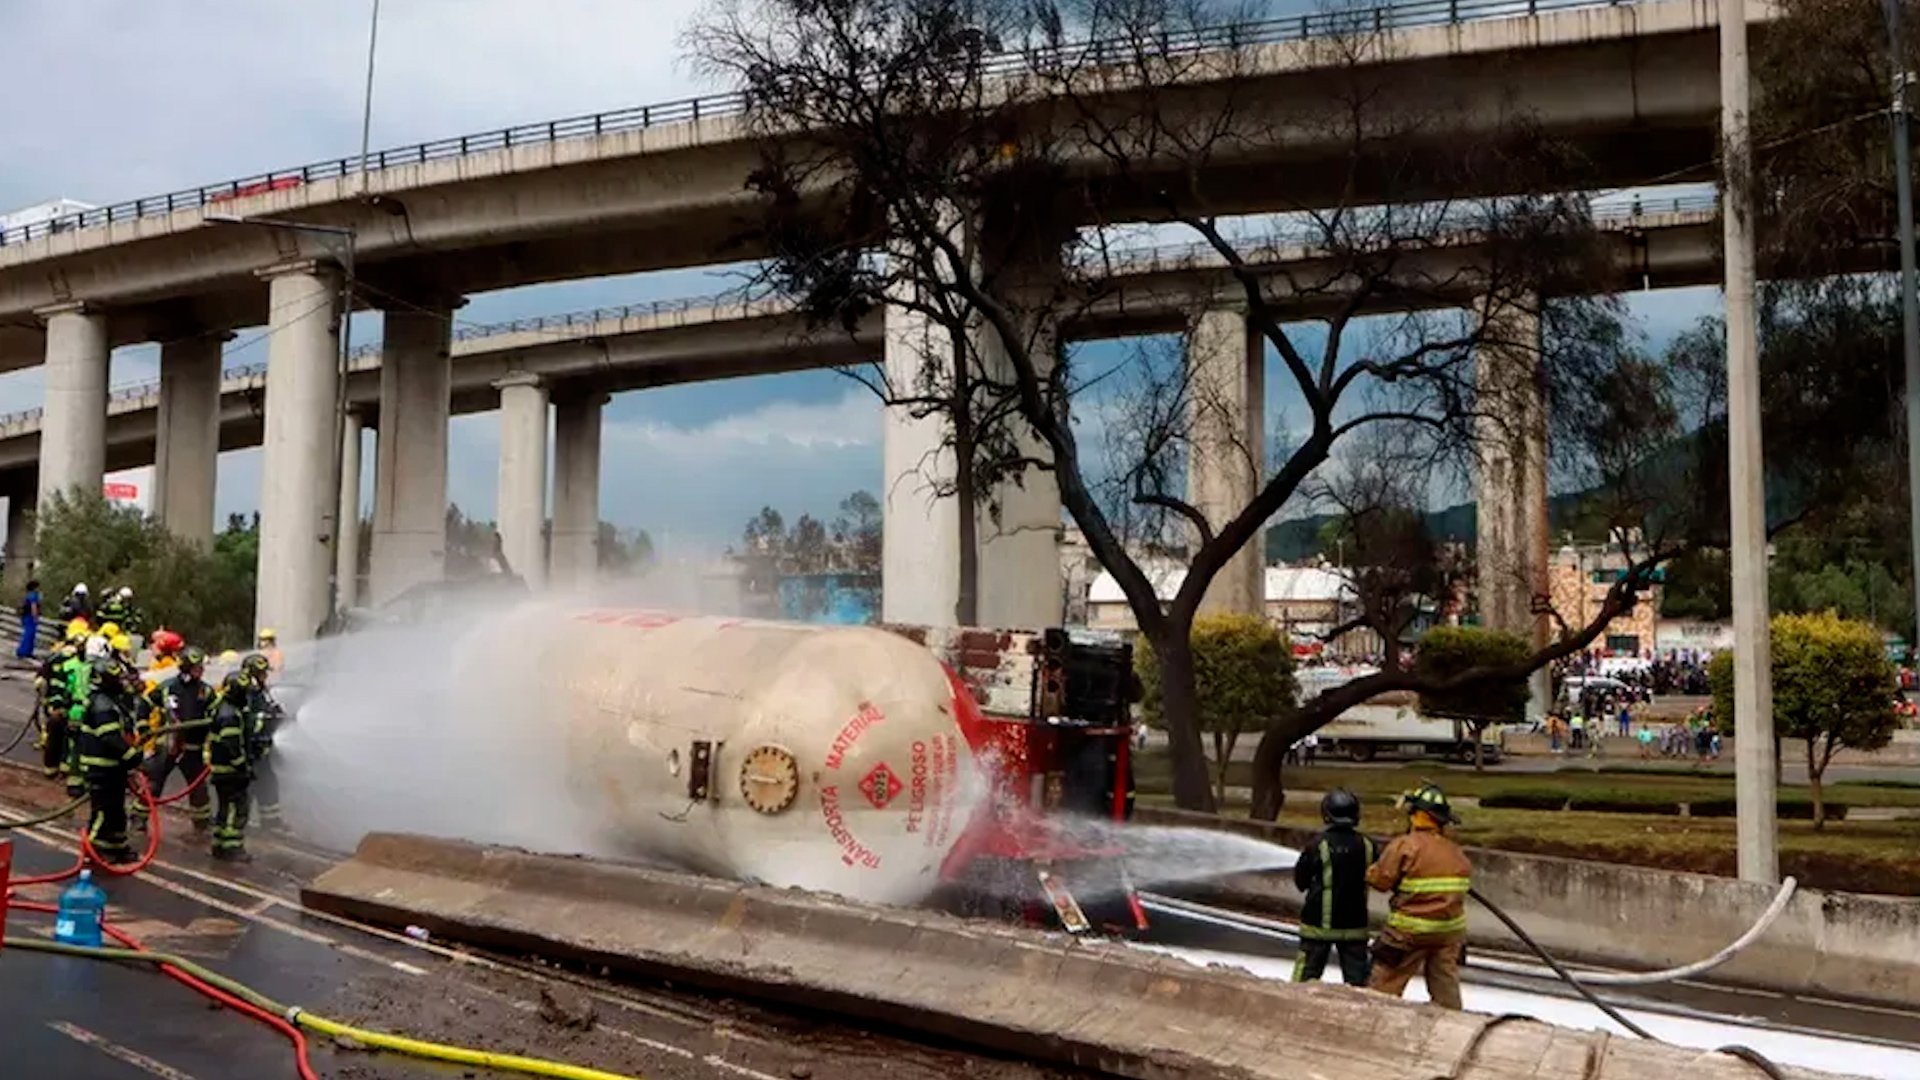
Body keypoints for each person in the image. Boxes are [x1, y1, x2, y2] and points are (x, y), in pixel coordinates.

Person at [1365, 782, 1472, 1010]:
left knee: (1383, 989)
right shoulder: (1456, 852)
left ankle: (1374, 1028)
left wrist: (1371, 870)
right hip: (1448, 935)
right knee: (1446, 992)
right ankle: (1453, 1029)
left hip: (1408, 934)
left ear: (1415, 815)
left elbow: (1381, 882)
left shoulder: (1405, 846)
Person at [1292, 788, 1377, 986]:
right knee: (1359, 986)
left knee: (1303, 982)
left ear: (1326, 814)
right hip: (1355, 927)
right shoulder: (1368, 845)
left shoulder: (1317, 845)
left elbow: (1300, 882)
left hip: (1317, 928)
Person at [74, 646, 145, 864]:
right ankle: (92, 852)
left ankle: (117, 848)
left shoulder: (111, 700)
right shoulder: (102, 705)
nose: (121, 683)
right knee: (103, 813)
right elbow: (111, 738)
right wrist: (132, 756)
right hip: (101, 769)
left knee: (116, 811)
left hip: (112, 768)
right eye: (116, 679)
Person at [140, 646, 215, 832]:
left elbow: (217, 713)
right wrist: (143, 727)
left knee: (198, 788)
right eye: (197, 667)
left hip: (193, 746)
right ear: (186, 668)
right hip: (168, 744)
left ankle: (202, 823)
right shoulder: (167, 687)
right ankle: (138, 818)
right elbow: (144, 704)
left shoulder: (206, 691)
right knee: (154, 783)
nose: (201, 671)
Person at [206, 664, 270, 861]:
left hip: (222, 769)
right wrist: (244, 767)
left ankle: (219, 845)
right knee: (237, 809)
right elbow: (232, 746)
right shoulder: (230, 715)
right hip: (231, 770)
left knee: (225, 809)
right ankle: (232, 848)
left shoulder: (223, 707)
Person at [35, 622, 88, 787]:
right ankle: (59, 770)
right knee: (64, 738)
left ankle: (56, 770)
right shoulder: (69, 662)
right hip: (65, 705)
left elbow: (43, 678)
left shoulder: (60, 655)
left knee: (59, 736)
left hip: (62, 703)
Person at [15, 577, 40, 659]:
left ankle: (27, 651)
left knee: (29, 634)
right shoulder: (33, 595)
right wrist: (35, 617)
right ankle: (22, 651)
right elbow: (34, 607)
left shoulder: (29, 595)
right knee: (29, 634)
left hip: (26, 617)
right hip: (30, 617)